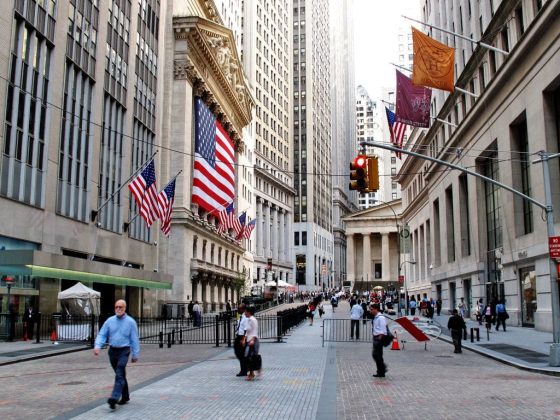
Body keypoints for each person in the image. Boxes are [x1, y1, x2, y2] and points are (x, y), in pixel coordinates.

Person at [94, 299, 140, 409]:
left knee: (119, 372)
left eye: (120, 307)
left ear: (125, 308)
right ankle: (125, 396)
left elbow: (134, 339)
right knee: (120, 374)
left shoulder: (130, 322)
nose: (118, 309)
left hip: (124, 350)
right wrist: (97, 346)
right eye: (116, 307)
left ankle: (114, 398)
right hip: (112, 351)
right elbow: (102, 334)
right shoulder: (109, 321)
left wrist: (135, 354)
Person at [370, 303, 387, 378]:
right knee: (377, 355)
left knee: (377, 355)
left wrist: (379, 338)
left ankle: (381, 371)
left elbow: (383, 330)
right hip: (376, 337)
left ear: (376, 309)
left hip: (379, 338)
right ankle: (381, 370)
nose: (370, 311)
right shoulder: (376, 317)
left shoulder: (381, 318)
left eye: (371, 309)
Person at [244, 306, 260, 381]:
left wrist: (253, 340)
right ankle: (252, 372)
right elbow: (247, 331)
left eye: (245, 312)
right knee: (248, 357)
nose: (244, 313)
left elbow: (255, 331)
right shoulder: (248, 320)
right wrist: (244, 339)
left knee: (250, 357)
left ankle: (251, 373)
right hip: (249, 341)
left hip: (253, 341)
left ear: (249, 312)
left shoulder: (253, 320)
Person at [234, 303, 248, 377]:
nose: (237, 310)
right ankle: (244, 369)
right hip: (238, 336)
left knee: (241, 354)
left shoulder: (245, 317)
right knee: (239, 353)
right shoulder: (241, 317)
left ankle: (244, 370)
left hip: (242, 337)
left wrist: (243, 339)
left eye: (239, 308)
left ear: (243, 309)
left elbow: (246, 329)